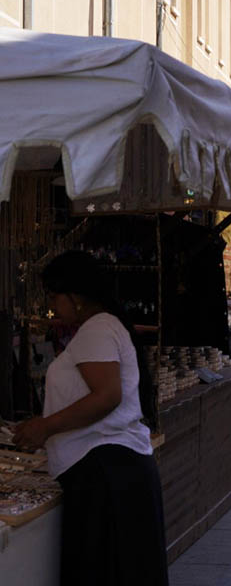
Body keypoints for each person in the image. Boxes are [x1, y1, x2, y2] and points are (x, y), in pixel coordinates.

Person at [13, 250, 168, 586]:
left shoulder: (98, 329)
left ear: (76, 296)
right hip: (112, 471)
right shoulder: (103, 327)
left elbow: (106, 396)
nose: (53, 306)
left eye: (54, 296)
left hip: (106, 473)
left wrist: (45, 427)